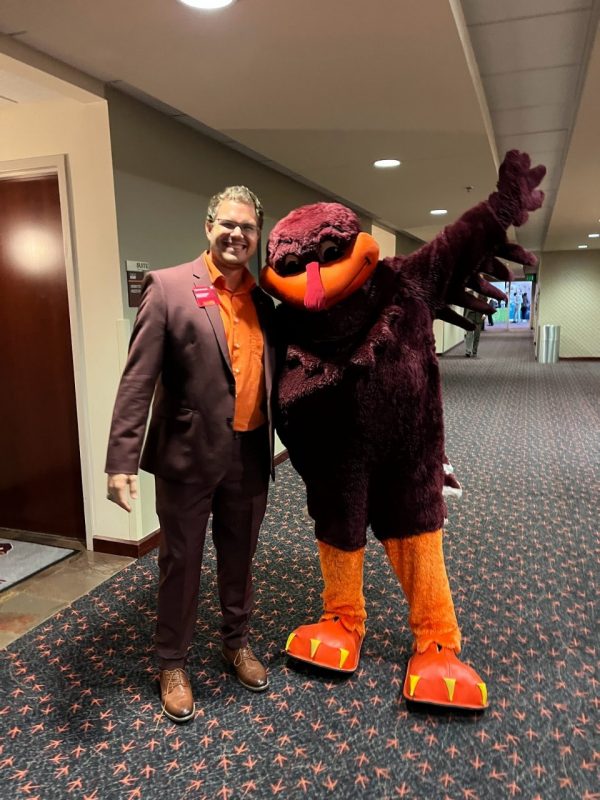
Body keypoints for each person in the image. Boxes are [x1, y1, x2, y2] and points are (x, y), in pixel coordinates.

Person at [105, 186, 276, 723]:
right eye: (227, 224)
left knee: (240, 557)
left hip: (249, 454)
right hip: (186, 456)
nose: (236, 235)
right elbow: (138, 379)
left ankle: (235, 642)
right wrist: (120, 460)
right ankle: (171, 661)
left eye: (247, 228)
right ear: (208, 227)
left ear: (257, 236)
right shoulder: (170, 287)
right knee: (181, 563)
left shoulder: (266, 302)